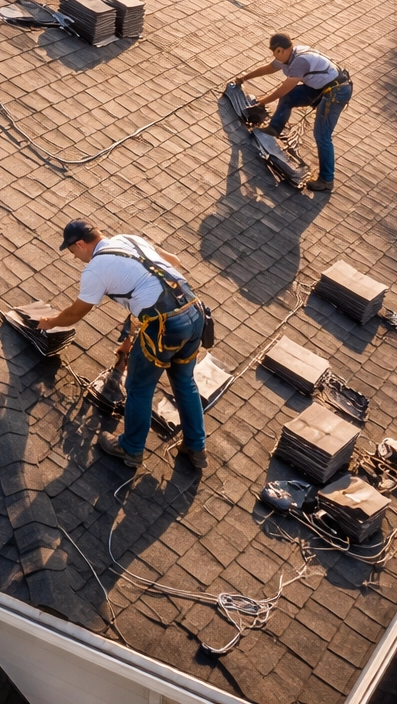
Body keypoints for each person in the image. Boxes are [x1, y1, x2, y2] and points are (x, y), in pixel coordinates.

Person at [38, 219, 208, 469]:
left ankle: (131, 449)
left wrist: (49, 322)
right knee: (184, 381)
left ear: (81, 244)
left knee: (139, 386)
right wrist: (139, 300)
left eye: (73, 251)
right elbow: (173, 261)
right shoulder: (128, 239)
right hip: (195, 313)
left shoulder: (96, 269)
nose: (75, 258)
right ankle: (196, 446)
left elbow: (76, 313)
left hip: (164, 327)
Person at [232, 33, 352, 192]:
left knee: (322, 135)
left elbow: (282, 90)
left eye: (275, 52)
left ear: (282, 50)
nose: (273, 56)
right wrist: (245, 77)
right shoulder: (289, 55)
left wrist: (262, 102)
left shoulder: (299, 62)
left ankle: (326, 180)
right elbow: (269, 68)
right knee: (289, 98)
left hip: (336, 92)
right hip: (322, 87)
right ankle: (274, 128)